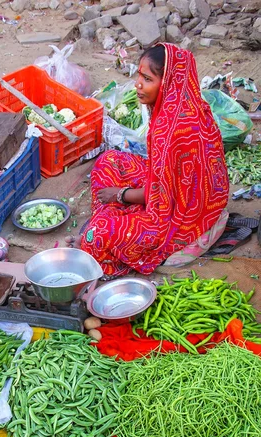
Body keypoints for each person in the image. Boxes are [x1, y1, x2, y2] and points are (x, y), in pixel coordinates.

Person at [81, 43, 229, 277]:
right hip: (200, 195)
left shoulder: (169, 131)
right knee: (110, 160)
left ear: (168, 84)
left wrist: (120, 194)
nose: (138, 84)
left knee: (96, 235)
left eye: (148, 79)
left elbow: (160, 199)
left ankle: (110, 215)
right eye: (139, 75)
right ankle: (112, 211)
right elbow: (165, 177)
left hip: (184, 213)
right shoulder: (193, 106)